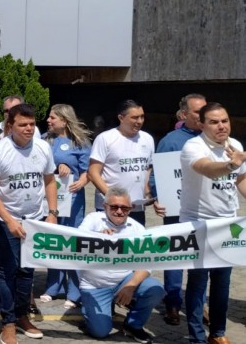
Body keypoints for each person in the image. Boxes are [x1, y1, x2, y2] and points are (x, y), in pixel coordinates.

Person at [0, 103, 57, 344]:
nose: (28, 129)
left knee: (27, 271)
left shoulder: (43, 147)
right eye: (23, 124)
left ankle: (23, 315)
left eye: (32, 124)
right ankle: (8, 322)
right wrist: (9, 220)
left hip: (35, 219)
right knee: (7, 271)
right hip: (7, 221)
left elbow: (50, 181)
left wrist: (52, 212)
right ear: (10, 125)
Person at [180, 102, 246, 344]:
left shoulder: (235, 146)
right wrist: (231, 164)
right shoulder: (193, 146)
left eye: (225, 121)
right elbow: (207, 169)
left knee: (222, 282)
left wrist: (235, 166)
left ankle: (217, 333)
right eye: (214, 122)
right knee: (198, 283)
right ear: (201, 124)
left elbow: (240, 180)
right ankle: (196, 336)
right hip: (199, 223)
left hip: (228, 225)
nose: (221, 126)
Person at [78, 188, 165, 343]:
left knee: (155, 289)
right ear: (105, 206)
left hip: (123, 280)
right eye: (114, 207)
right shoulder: (93, 219)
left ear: (130, 209)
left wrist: (130, 286)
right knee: (100, 332)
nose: (119, 211)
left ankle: (133, 325)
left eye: (124, 208)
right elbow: (77, 242)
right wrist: (97, 238)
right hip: (95, 285)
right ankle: (90, 313)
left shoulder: (137, 228)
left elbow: (147, 264)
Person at [149, 93, 205, 326]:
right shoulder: (170, 141)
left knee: (201, 259)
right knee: (175, 257)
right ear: (184, 114)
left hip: (204, 210)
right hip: (176, 210)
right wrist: (156, 197)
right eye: (197, 112)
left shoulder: (213, 139)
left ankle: (199, 305)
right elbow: (157, 174)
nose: (203, 116)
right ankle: (172, 302)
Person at [39, 104, 91, 309]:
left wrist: (82, 180)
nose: (48, 121)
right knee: (54, 241)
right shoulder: (44, 139)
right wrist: (57, 167)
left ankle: (75, 291)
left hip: (73, 200)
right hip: (51, 200)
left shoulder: (80, 142)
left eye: (53, 118)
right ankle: (54, 287)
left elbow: (88, 170)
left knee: (72, 243)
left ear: (64, 120)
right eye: (49, 117)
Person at [88, 100, 163, 227]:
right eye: (135, 117)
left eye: (142, 116)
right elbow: (93, 173)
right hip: (110, 207)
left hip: (136, 207)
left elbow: (147, 168)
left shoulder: (147, 139)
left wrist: (148, 193)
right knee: (109, 243)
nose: (139, 121)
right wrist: (114, 199)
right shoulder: (105, 138)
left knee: (134, 244)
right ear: (121, 118)